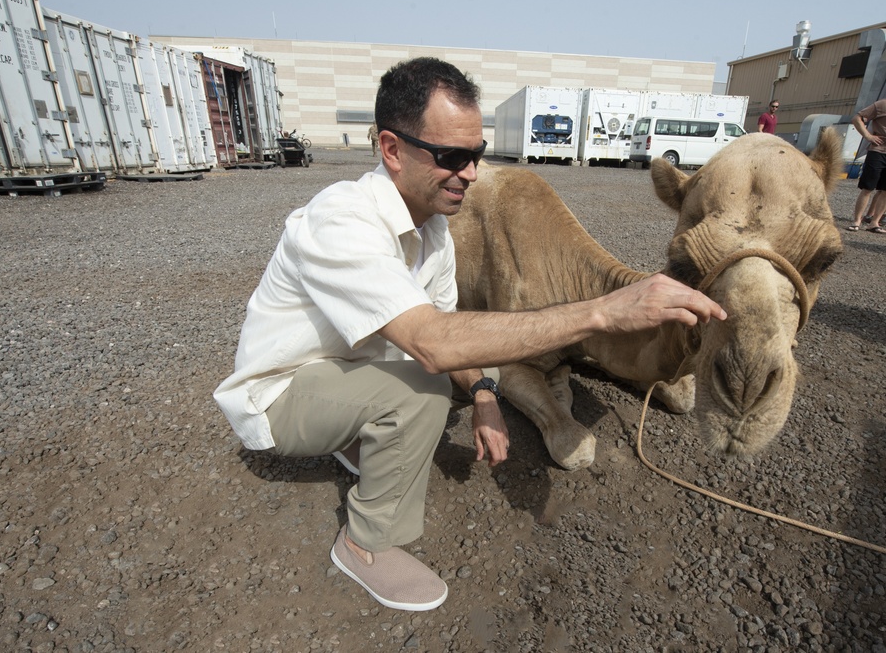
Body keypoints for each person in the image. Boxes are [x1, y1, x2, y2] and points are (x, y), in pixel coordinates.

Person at [212, 57, 726, 612]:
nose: (473, 174)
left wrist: (484, 395)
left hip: (343, 372)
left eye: (476, 155)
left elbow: (451, 325)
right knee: (424, 390)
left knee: (440, 384)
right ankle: (364, 544)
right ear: (391, 149)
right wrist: (601, 312)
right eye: (453, 157)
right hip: (279, 397)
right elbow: (436, 341)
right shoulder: (341, 221)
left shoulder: (432, 229)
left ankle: (351, 434)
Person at [847, 98, 886, 233]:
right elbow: (857, 118)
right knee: (868, 188)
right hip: (878, 152)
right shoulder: (881, 105)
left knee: (885, 191)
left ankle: (874, 223)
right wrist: (868, 136)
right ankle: (857, 221)